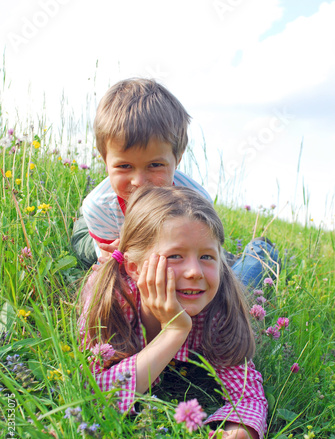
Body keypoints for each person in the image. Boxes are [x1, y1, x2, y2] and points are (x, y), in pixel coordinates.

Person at [80, 186, 268, 439]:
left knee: (248, 273)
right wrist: (174, 331)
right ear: (133, 268)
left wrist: (242, 430)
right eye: (175, 256)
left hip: (224, 279)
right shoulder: (110, 297)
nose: (193, 271)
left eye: (206, 256)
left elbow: (247, 392)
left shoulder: (215, 304)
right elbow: (96, 399)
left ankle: (261, 249)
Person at [72, 77, 279, 288]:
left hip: (188, 260)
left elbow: (202, 264)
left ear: (177, 159)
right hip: (153, 268)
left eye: (154, 165)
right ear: (105, 160)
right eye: (124, 166)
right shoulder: (99, 207)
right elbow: (112, 268)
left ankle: (260, 252)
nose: (139, 181)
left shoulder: (196, 200)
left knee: (235, 291)